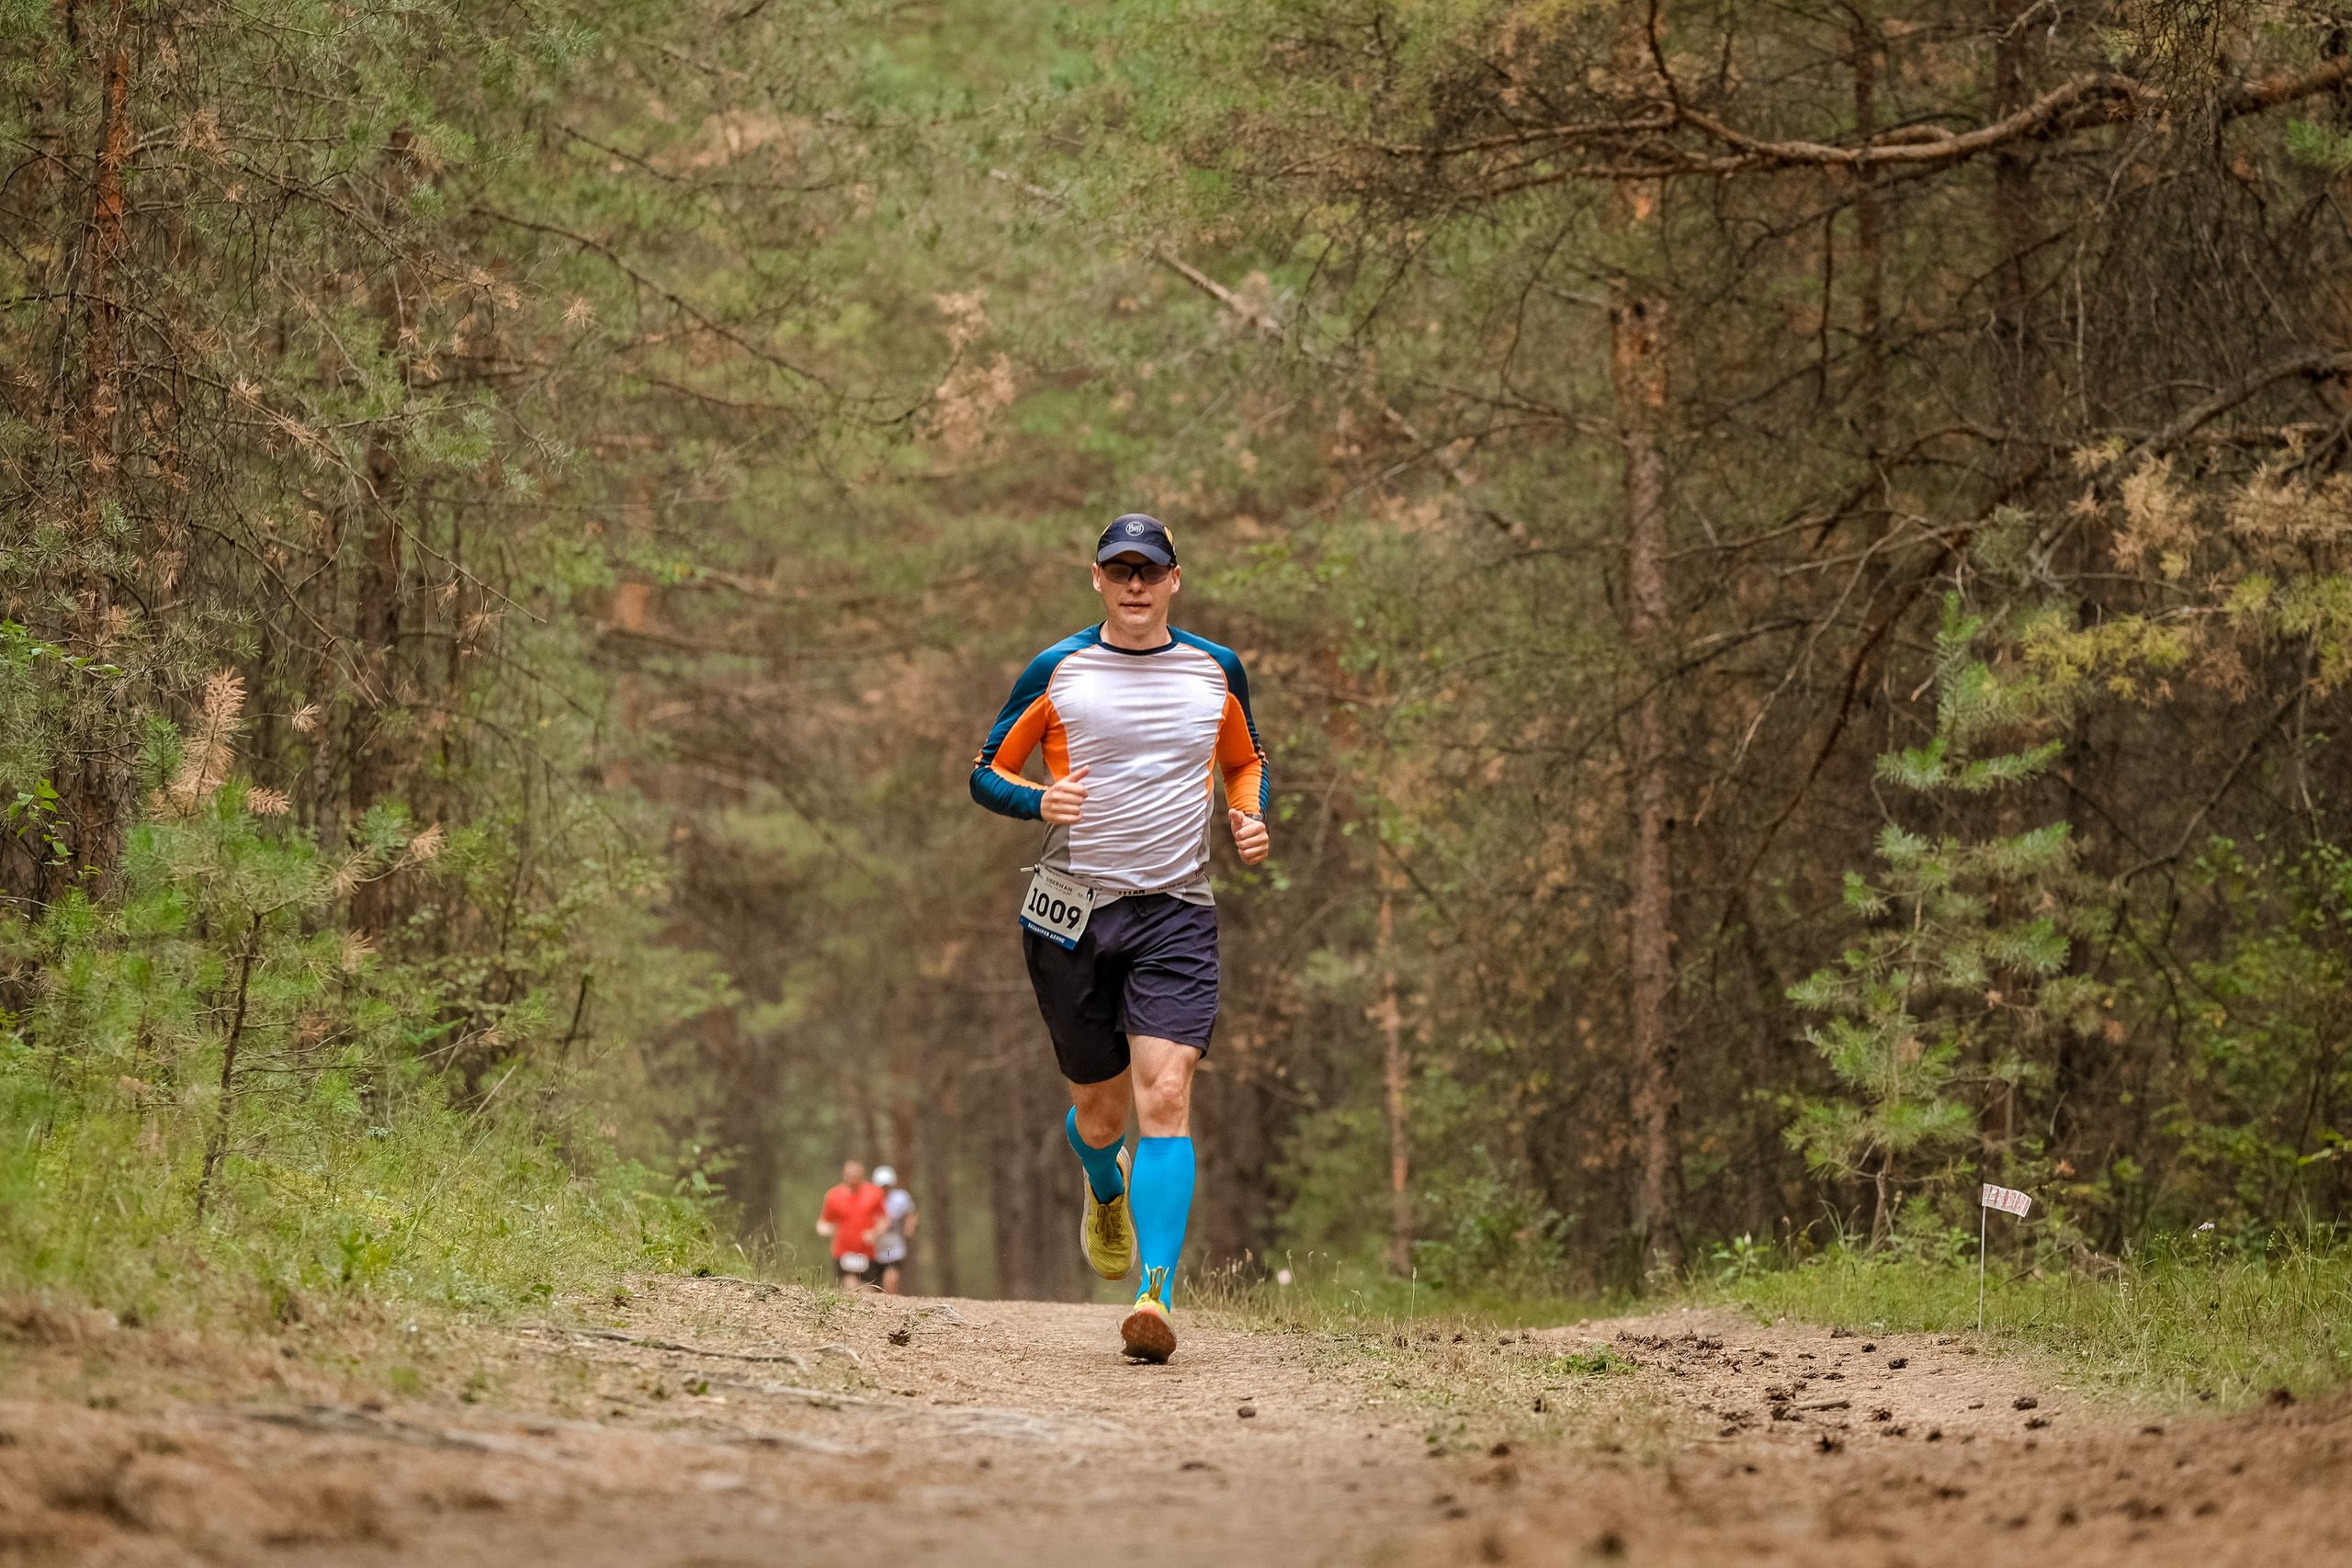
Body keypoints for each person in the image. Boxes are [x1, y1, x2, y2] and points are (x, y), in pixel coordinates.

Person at [969, 513, 1271, 1362]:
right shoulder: (1058, 668)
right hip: (1073, 911)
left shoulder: (1216, 671)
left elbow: (1245, 760)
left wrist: (1248, 815)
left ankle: (1156, 1293)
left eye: (1151, 569)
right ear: (1096, 579)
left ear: (1176, 578)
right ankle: (1106, 1186)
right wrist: (1039, 801)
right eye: (1119, 569)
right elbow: (985, 770)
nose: (1135, 584)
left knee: (1165, 1095)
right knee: (1101, 1119)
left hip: (1177, 909)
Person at [815, 1159, 884, 1292]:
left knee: (868, 1291)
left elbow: (884, 1219)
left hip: (867, 1253)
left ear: (862, 1174)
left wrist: (874, 1233)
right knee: (850, 1287)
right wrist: (825, 1229)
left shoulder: (874, 1193)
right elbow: (824, 1222)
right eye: (850, 1174)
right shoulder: (833, 1196)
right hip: (844, 1252)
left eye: (856, 1174)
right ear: (844, 1174)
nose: (853, 1177)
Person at [869, 1166, 918, 1295]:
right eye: (882, 1185)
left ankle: (891, 1304)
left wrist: (909, 1228)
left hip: (893, 1242)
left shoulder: (900, 1198)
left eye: (887, 1185)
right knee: (873, 1284)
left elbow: (910, 1213)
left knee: (891, 1278)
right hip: (873, 1246)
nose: (884, 1188)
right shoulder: (870, 1198)